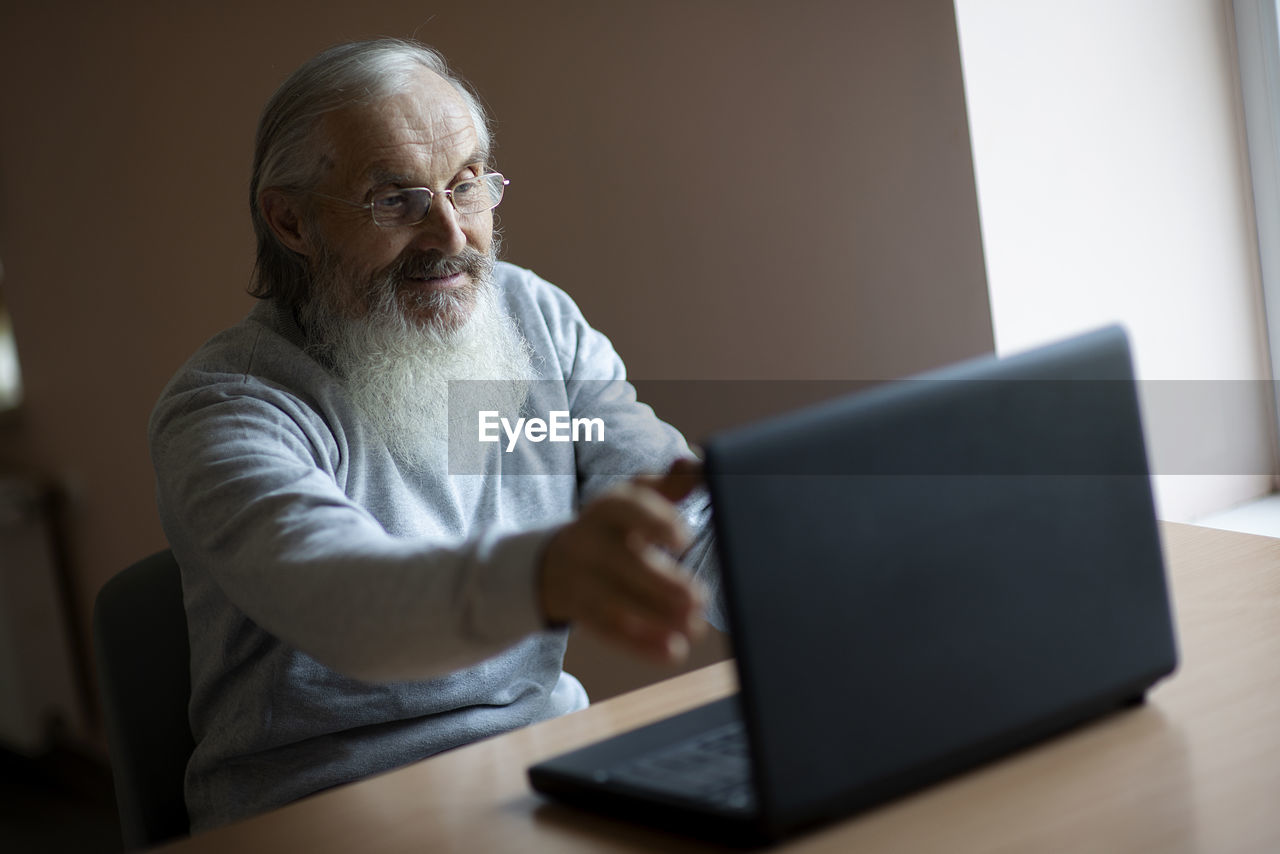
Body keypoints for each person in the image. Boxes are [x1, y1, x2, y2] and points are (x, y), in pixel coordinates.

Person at [149, 38, 721, 832]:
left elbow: (675, 512)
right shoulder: (227, 407)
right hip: (326, 810)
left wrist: (815, 576)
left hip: (545, 767)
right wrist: (548, 574)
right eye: (396, 201)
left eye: (467, 185)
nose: (451, 235)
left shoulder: (537, 323)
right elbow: (348, 603)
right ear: (292, 220)